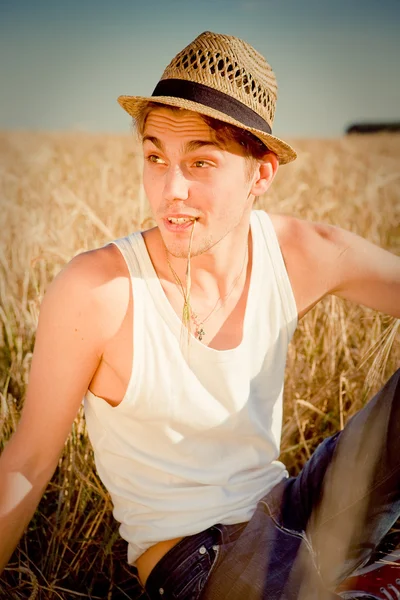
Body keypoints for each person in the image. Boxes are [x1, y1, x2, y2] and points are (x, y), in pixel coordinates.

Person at [0, 30, 399, 600]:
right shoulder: (99, 289)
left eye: (201, 162)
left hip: (299, 502)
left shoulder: (300, 253)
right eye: (156, 157)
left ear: (260, 174)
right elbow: (28, 460)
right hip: (199, 561)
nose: (171, 190)